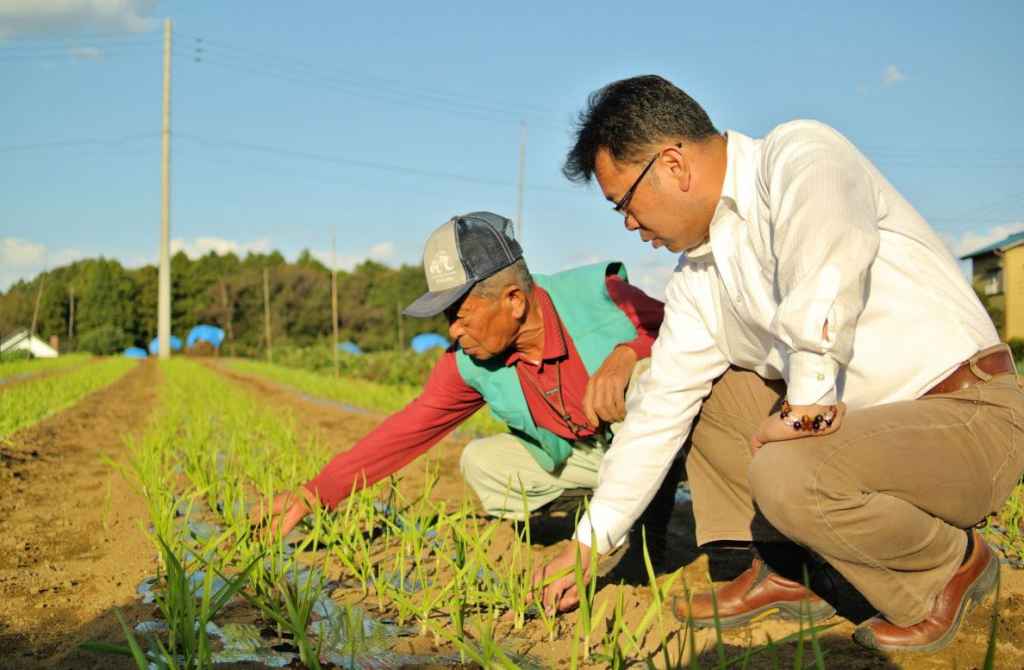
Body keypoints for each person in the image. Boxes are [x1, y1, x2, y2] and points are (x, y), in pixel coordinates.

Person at [534, 74, 1023, 654]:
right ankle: (791, 572)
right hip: (864, 436)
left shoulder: (799, 156)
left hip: (967, 416)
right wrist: (593, 541)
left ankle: (949, 570)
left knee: (791, 472)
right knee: (703, 394)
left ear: (672, 164)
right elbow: (659, 408)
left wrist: (805, 411)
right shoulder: (699, 276)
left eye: (626, 204)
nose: (629, 226)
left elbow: (824, 273)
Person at [255, 211, 679, 569]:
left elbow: (694, 330)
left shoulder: (600, 297)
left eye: (460, 313)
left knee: (644, 373)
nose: (454, 330)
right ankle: (592, 512)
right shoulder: (469, 359)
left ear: (514, 300)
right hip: (591, 455)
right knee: (482, 461)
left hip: (662, 443)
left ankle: (646, 526)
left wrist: (628, 352)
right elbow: (408, 429)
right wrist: (316, 492)